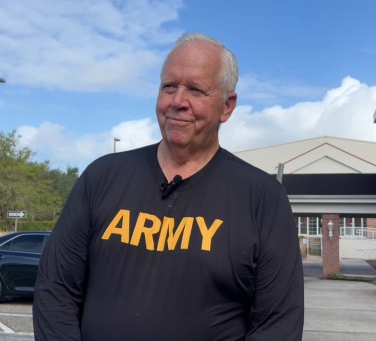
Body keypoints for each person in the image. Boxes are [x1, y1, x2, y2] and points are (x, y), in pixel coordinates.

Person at [33, 32, 304, 341]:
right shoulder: (102, 177)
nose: (178, 101)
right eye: (169, 86)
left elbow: (278, 324)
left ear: (227, 106)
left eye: (196, 90)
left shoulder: (262, 198)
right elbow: (55, 289)